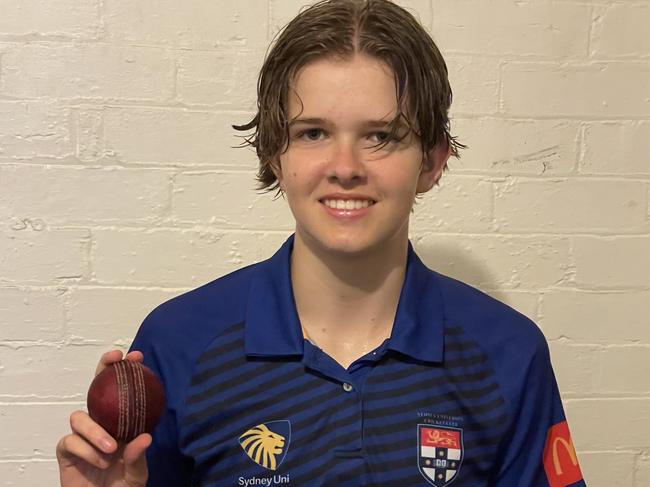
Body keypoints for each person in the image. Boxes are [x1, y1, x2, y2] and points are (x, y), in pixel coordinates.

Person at [56, 1, 586, 486]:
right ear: (273, 155)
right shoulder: (179, 342)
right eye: (313, 133)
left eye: (380, 135)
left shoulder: (507, 352)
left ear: (431, 161)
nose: (345, 168)